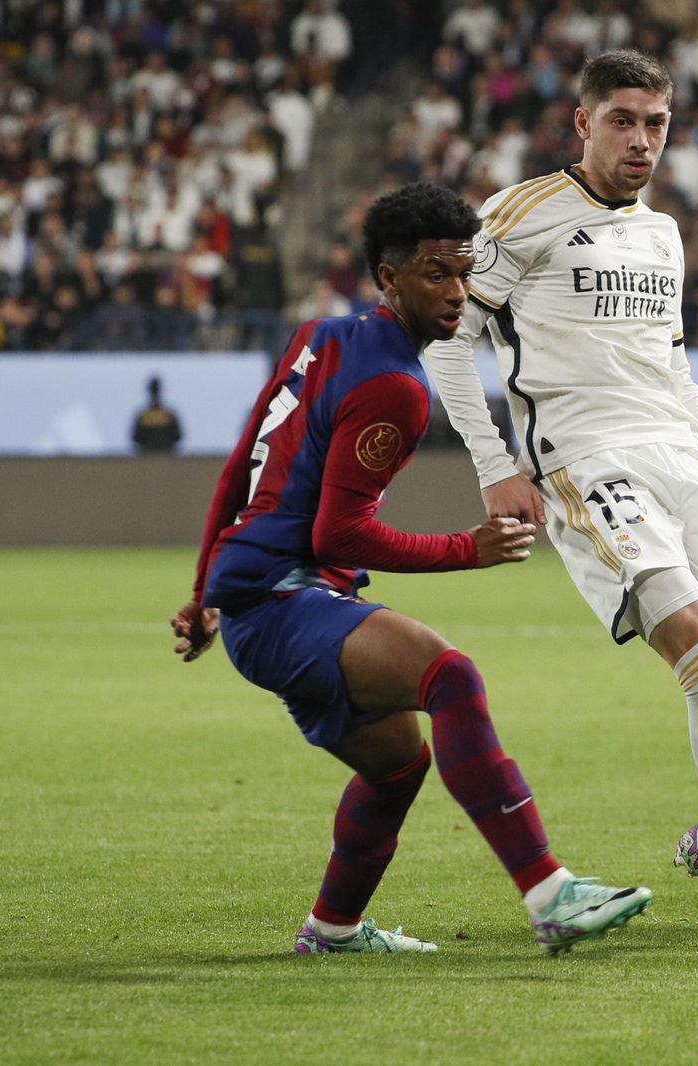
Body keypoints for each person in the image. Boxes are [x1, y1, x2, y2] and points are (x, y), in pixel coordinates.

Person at [422, 50, 698, 957]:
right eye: (622, 119)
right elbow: (449, 342)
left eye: (656, 122)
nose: (642, 138)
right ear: (582, 123)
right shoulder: (520, 214)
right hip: (586, 464)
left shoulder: (663, 234)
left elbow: (673, 377)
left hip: (680, 461)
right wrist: (494, 463)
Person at [169, 182, 650, 956]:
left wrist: (203, 593)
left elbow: (239, 468)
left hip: (259, 599)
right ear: (387, 276)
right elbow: (340, 533)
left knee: (396, 766)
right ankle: (551, 893)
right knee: (449, 676)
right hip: (284, 599)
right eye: (434, 273)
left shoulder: (315, 337)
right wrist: (471, 547)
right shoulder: (395, 388)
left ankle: (332, 929)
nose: (457, 293)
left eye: (464, 272)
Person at [132, 376, 183, 455]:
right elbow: (136, 438)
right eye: (154, 392)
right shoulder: (143, 416)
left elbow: (177, 436)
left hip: (166, 456)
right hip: (147, 457)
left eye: (156, 392)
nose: (155, 395)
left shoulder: (169, 415)